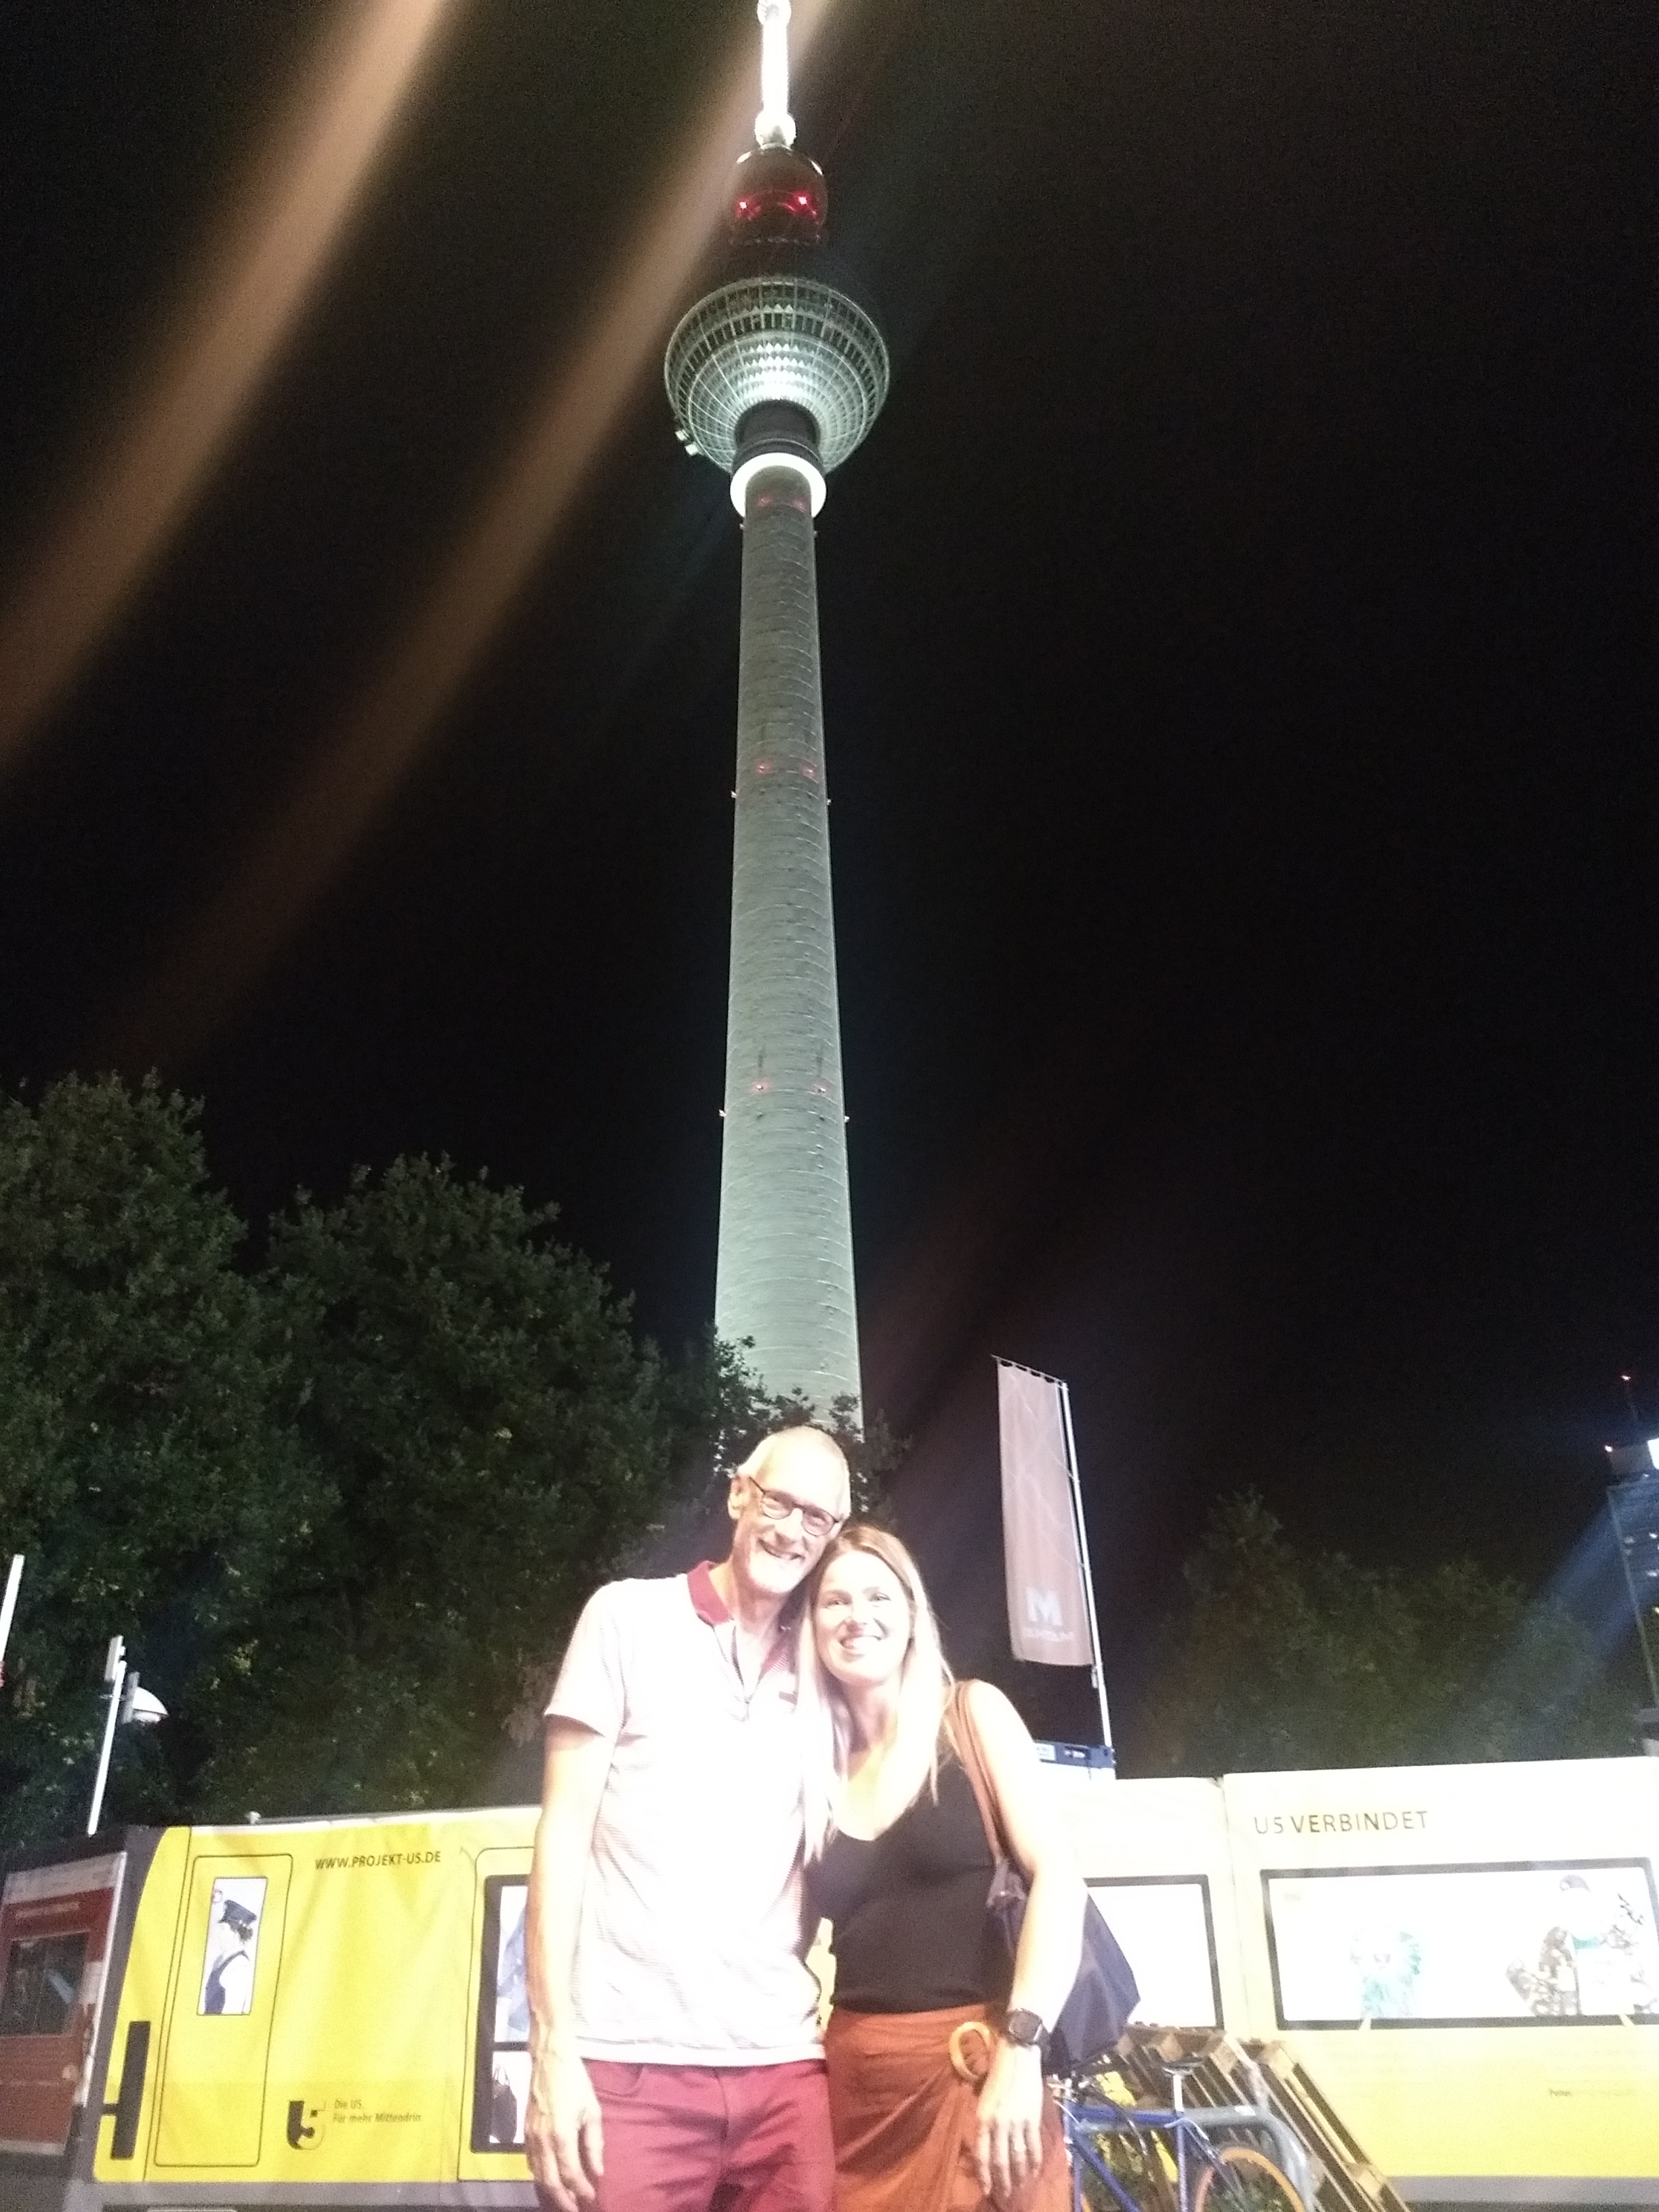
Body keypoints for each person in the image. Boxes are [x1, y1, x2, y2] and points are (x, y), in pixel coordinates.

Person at [523, 1425, 852, 2212]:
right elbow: (561, 1837)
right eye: (780, 1502)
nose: (794, 1531)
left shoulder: (826, 1668)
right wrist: (552, 2048)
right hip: (627, 2067)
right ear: (739, 1494)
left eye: (818, 1518)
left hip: (784, 2070)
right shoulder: (626, 1618)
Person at [798, 1525, 1084, 2212]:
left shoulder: (970, 1715)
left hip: (980, 2074)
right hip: (856, 2094)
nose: (856, 1616)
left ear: (911, 1613)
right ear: (811, 1625)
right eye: (834, 1601)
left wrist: (1022, 2049)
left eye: (877, 1596)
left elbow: (1058, 1879)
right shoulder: (811, 1766)